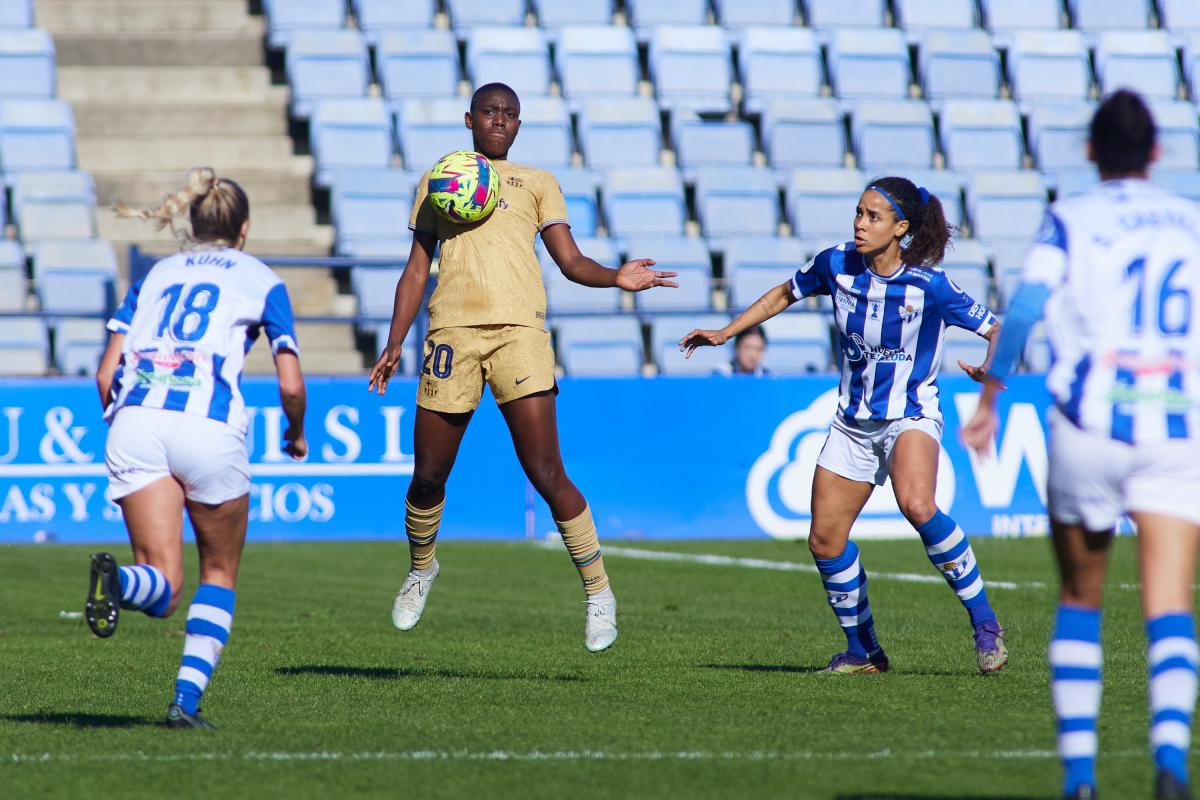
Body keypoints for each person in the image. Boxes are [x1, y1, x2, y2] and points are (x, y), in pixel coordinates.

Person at [367, 83, 677, 652]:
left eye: (510, 114)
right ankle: (422, 568)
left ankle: (599, 592)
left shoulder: (537, 183)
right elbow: (416, 271)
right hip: (451, 337)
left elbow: (571, 261)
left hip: (521, 336)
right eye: (489, 112)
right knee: (429, 475)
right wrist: (394, 341)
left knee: (545, 471)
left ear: (519, 123)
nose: (499, 121)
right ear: (469, 119)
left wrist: (616, 277)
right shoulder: (441, 180)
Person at [963, 91, 1200, 800]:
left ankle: (1080, 780)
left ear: (1090, 152)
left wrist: (991, 394)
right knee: (1169, 603)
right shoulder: (1190, 221)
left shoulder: (1071, 218)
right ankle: (1170, 761)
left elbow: (1030, 306)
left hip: (1089, 424)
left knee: (1081, 596)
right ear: (1157, 152)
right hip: (1172, 428)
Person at [682, 176, 1009, 675]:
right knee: (825, 541)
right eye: (858, 212)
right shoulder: (835, 263)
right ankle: (864, 653)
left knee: (917, 504)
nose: (859, 224)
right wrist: (728, 332)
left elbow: (996, 330)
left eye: (872, 217)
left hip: (910, 414)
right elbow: (783, 294)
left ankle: (985, 625)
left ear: (900, 228)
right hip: (851, 424)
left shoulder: (930, 286)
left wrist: (992, 369)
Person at [88, 168, 307, 729]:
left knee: (161, 587)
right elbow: (289, 382)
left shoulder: (156, 273)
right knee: (218, 573)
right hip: (208, 429)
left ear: (191, 222)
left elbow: (106, 371)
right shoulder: (261, 278)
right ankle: (184, 703)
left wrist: (126, 421)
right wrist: (295, 431)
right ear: (244, 228)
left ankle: (121, 582)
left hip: (137, 418)